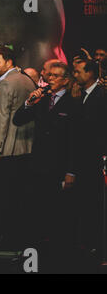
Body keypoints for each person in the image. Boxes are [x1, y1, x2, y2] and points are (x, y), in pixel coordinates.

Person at [13, 62, 81, 249]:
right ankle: (40, 241)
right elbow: (18, 120)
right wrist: (28, 102)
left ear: (66, 80)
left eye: (55, 76)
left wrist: (71, 171)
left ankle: (61, 246)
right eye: (49, 75)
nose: (50, 79)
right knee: (38, 205)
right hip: (38, 164)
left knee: (59, 208)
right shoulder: (42, 99)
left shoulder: (73, 102)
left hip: (60, 165)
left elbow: (75, 140)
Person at [0, 47, 35, 251]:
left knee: (5, 198)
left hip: (9, 148)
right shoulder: (27, 79)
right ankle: (22, 238)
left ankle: (7, 241)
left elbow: (1, 118)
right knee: (22, 197)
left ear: (9, 62)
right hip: (28, 147)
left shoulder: (6, 82)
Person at [72, 59, 107, 261]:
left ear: (91, 73)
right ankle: (91, 242)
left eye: (78, 72)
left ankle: (99, 246)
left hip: (96, 159)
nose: (75, 75)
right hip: (85, 159)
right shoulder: (82, 95)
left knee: (97, 203)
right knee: (88, 203)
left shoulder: (101, 95)